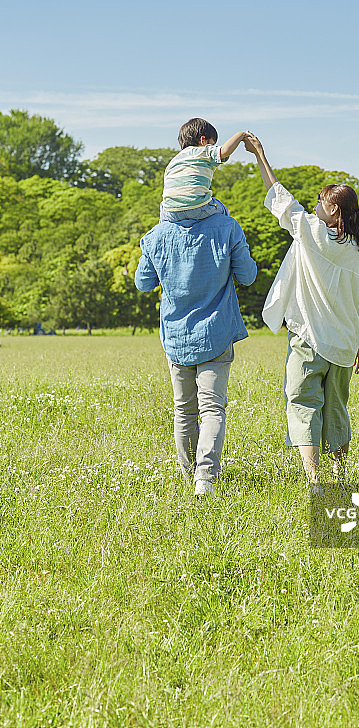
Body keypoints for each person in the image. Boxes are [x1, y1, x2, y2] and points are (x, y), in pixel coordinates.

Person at [244, 133, 359, 485]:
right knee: (337, 409)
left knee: (303, 403)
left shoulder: (312, 232)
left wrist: (260, 155)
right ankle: (340, 473)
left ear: (333, 209)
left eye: (319, 202)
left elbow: (279, 197)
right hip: (345, 345)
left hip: (308, 338)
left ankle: (315, 480)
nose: (314, 206)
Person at [134, 169, 257, 497]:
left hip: (176, 337)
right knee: (213, 407)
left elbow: (143, 282)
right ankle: (206, 478)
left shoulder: (156, 235)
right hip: (216, 333)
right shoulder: (228, 227)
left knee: (183, 409)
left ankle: (189, 477)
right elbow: (247, 276)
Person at [160, 117, 247, 223]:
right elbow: (225, 151)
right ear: (203, 140)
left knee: (164, 204)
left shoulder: (173, 161)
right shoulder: (204, 150)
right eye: (213, 144)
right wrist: (241, 135)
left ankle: (163, 227)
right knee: (222, 209)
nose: (213, 147)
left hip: (171, 212)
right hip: (197, 207)